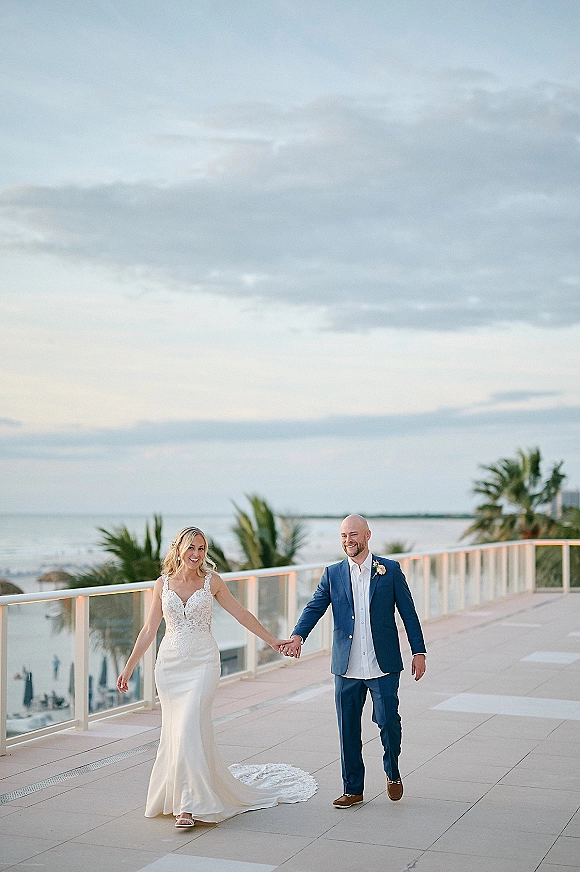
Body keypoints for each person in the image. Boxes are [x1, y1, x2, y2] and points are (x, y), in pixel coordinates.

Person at [117, 525, 317, 828]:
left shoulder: (212, 582)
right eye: (191, 548)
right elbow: (149, 630)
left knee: (187, 726)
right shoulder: (162, 584)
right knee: (177, 731)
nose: (196, 554)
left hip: (203, 664)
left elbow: (242, 614)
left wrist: (272, 640)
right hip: (169, 666)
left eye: (201, 548)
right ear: (179, 549)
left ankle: (188, 805)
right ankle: (178, 796)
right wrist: (129, 667)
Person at [281, 515, 426, 807]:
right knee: (348, 729)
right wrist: (298, 636)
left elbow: (408, 613)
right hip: (346, 667)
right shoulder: (333, 573)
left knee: (388, 722)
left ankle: (392, 771)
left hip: (382, 663)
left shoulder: (390, 570)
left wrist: (419, 651)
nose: (349, 540)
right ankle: (353, 789)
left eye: (354, 535)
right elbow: (315, 607)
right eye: (344, 535)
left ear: (368, 535)